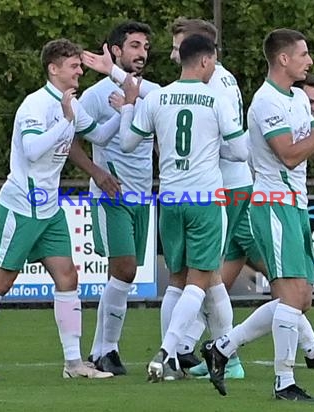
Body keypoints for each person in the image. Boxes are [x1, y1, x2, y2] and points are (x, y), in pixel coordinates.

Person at [201, 28, 314, 401]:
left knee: (300, 299)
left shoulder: (295, 98)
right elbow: (289, 154)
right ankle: (283, 382)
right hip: (273, 206)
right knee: (293, 298)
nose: (309, 61)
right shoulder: (265, 102)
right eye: (304, 54)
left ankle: (222, 347)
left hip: (296, 205)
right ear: (283, 59)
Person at [0, 38, 123, 380]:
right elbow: (31, 150)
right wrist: (65, 120)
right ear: (53, 68)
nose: (79, 71)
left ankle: (74, 364)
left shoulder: (71, 104)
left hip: (49, 209)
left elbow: (101, 136)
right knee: (3, 280)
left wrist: (126, 109)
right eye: (73, 66)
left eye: (79, 65)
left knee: (67, 276)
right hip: (22, 206)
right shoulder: (35, 105)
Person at [118, 33, 248, 382]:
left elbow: (129, 142)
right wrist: (213, 146)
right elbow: (239, 152)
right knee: (201, 279)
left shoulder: (157, 98)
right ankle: (169, 350)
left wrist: (129, 104)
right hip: (205, 198)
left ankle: (200, 360)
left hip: (171, 198)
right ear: (205, 61)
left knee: (177, 280)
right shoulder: (215, 98)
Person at [69, 21, 160, 376]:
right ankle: (107, 348)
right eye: (134, 45)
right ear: (116, 51)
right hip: (111, 194)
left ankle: (100, 350)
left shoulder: (152, 91)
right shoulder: (93, 96)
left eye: (146, 47)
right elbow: (70, 140)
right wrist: (96, 172)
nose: (141, 53)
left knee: (125, 272)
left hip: (143, 195)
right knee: (123, 268)